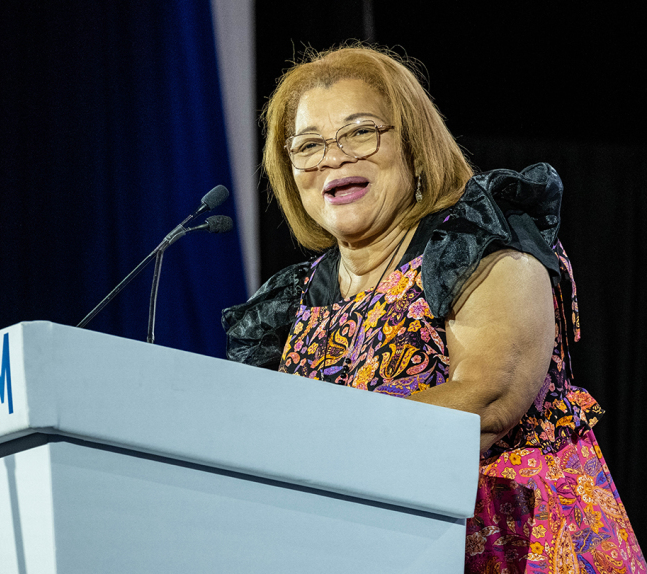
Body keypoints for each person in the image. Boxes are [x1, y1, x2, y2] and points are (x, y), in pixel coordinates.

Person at [222, 44, 645, 572]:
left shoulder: (478, 241)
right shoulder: (292, 303)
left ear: (414, 146)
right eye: (308, 144)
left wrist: (320, 447)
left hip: (516, 545)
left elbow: (489, 395)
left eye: (360, 131)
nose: (333, 156)